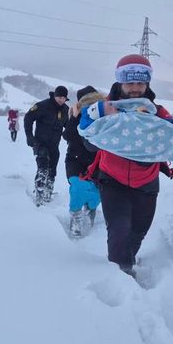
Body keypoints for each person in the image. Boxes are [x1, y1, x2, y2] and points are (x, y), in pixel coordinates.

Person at [80, 54, 173, 276]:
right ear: (120, 82)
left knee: (138, 231)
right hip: (112, 179)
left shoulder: (155, 112)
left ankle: (129, 260)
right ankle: (120, 276)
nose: (135, 88)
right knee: (119, 230)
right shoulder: (105, 108)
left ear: (147, 83)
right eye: (130, 82)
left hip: (147, 182)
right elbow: (86, 128)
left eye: (140, 83)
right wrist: (92, 138)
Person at [62, 85, 105, 237]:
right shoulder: (75, 116)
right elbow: (68, 136)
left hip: (98, 162)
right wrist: (74, 118)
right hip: (76, 160)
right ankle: (76, 216)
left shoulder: (103, 115)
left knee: (98, 192)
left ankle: (91, 209)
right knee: (78, 188)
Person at [24, 85, 69, 206]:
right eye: (59, 96)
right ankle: (39, 196)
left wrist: (68, 135)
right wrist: (29, 136)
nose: (61, 99)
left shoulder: (65, 110)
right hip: (40, 144)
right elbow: (28, 118)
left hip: (54, 145)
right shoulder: (42, 106)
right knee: (43, 169)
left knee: (52, 171)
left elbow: (68, 126)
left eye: (63, 97)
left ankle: (48, 194)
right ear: (54, 96)